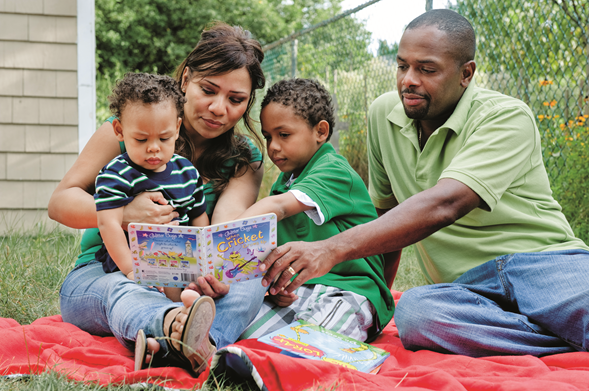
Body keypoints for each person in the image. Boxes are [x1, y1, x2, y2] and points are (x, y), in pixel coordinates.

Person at [255, 9, 589, 357]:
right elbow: (385, 219)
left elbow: (446, 204)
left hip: (543, 265)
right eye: (402, 66)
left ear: (466, 74)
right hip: (464, 291)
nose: (408, 80)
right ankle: (561, 341)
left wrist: (329, 249)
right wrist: (377, 300)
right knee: (416, 314)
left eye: (426, 69)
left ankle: (558, 331)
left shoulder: (505, 116)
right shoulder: (383, 115)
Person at [49, 22, 269, 375]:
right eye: (208, 90)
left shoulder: (244, 158)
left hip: (181, 280)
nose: (218, 107)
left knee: (251, 281)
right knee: (125, 290)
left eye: (235, 99)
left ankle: (196, 345)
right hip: (104, 272)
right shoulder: (129, 129)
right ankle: (174, 332)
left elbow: (223, 224)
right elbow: (59, 203)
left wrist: (214, 272)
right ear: (185, 79)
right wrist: (123, 213)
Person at [236, 79, 394, 342]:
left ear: (320, 131)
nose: (273, 146)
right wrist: (279, 288)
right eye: (268, 137)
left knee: (313, 341)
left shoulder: (333, 170)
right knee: (245, 334)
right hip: (301, 293)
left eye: (283, 135)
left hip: (350, 291)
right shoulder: (283, 185)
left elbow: (278, 208)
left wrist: (220, 237)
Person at [94, 72, 209, 302]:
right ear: (119, 131)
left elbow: (199, 219)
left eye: (164, 138)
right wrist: (130, 270)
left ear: (177, 128)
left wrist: (203, 262)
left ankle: (181, 319)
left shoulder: (186, 172)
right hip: (134, 262)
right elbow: (109, 225)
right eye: (141, 139)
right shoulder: (116, 174)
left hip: (180, 262)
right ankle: (168, 321)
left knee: (192, 293)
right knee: (143, 297)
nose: (154, 148)